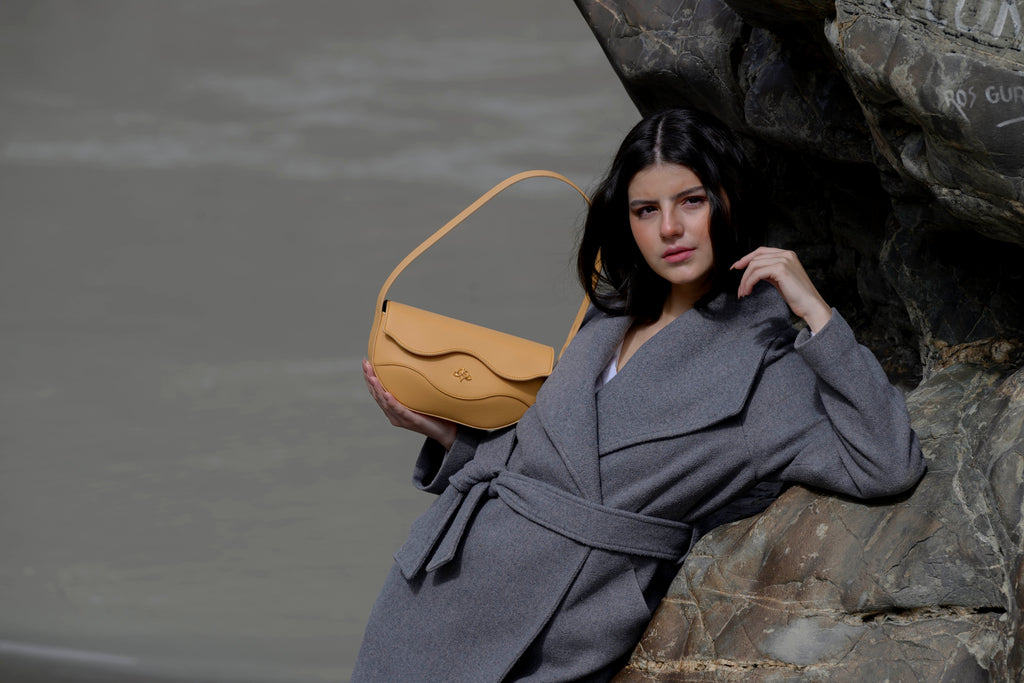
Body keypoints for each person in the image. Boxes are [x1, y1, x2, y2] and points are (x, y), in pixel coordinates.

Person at [354, 108, 925, 681]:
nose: (669, 229)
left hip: (558, 630)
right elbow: (544, 470)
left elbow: (887, 464)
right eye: (646, 211)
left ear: (729, 201)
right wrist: (451, 438)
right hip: (436, 590)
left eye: (691, 201)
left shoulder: (766, 371)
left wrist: (816, 314)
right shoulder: (607, 319)